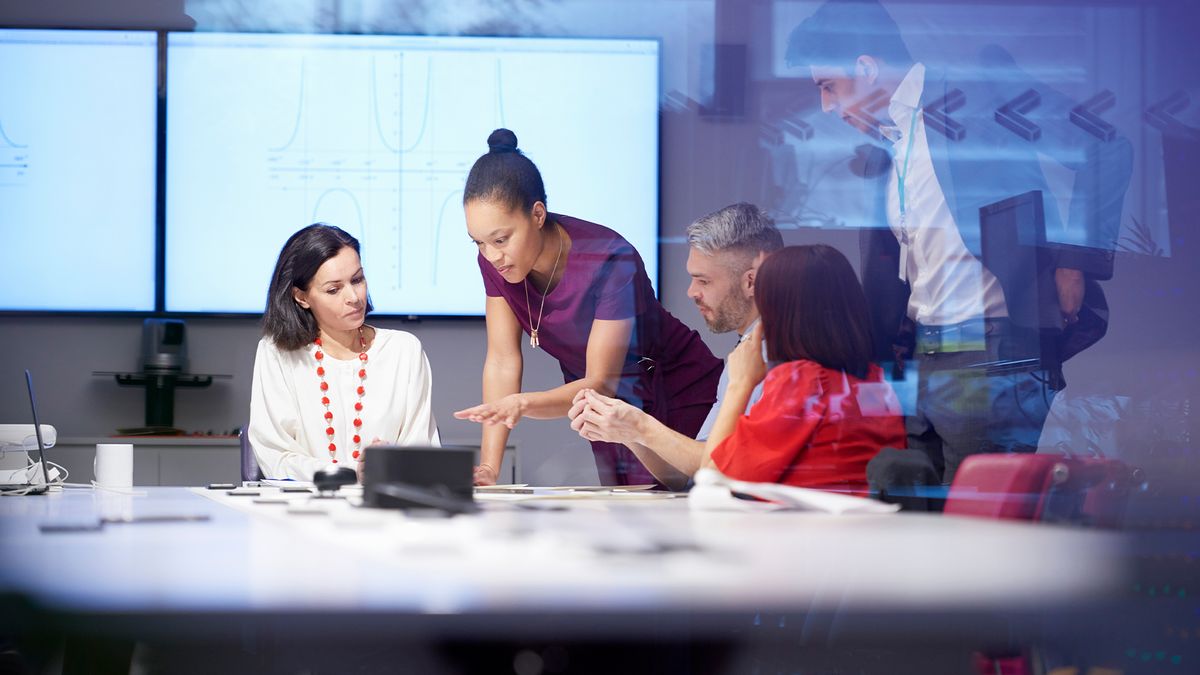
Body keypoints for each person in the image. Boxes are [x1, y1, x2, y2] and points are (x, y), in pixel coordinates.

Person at [786, 0, 1131, 483]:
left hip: (989, 353)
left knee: (972, 526)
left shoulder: (977, 92)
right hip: (920, 358)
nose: (826, 106)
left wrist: (1073, 262)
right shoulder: (887, 148)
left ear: (865, 68)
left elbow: (1104, 146)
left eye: (828, 86)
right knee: (915, 523)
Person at [453, 129, 723, 487]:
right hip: (601, 407)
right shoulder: (495, 260)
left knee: (694, 505)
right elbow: (503, 360)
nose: (491, 255)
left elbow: (601, 381)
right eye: (479, 243)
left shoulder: (608, 258)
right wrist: (489, 466)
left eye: (500, 240)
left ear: (537, 214)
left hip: (672, 387)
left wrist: (522, 404)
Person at [577, 245, 905, 491]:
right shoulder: (874, 381)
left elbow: (712, 476)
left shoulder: (800, 383)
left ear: (781, 313)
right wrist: (632, 430)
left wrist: (741, 383)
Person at [567, 202, 783, 490]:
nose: (692, 292)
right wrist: (628, 431)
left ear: (750, 281)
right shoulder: (744, 356)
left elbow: (714, 469)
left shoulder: (778, 358)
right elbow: (690, 474)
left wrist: (641, 426)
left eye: (703, 280)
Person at [249, 224, 439, 480]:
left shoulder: (403, 351)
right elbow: (276, 458)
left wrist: (392, 464)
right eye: (333, 289)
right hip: (302, 512)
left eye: (358, 280)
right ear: (301, 297)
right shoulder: (277, 353)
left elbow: (422, 452)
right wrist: (351, 473)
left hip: (386, 511)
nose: (353, 296)